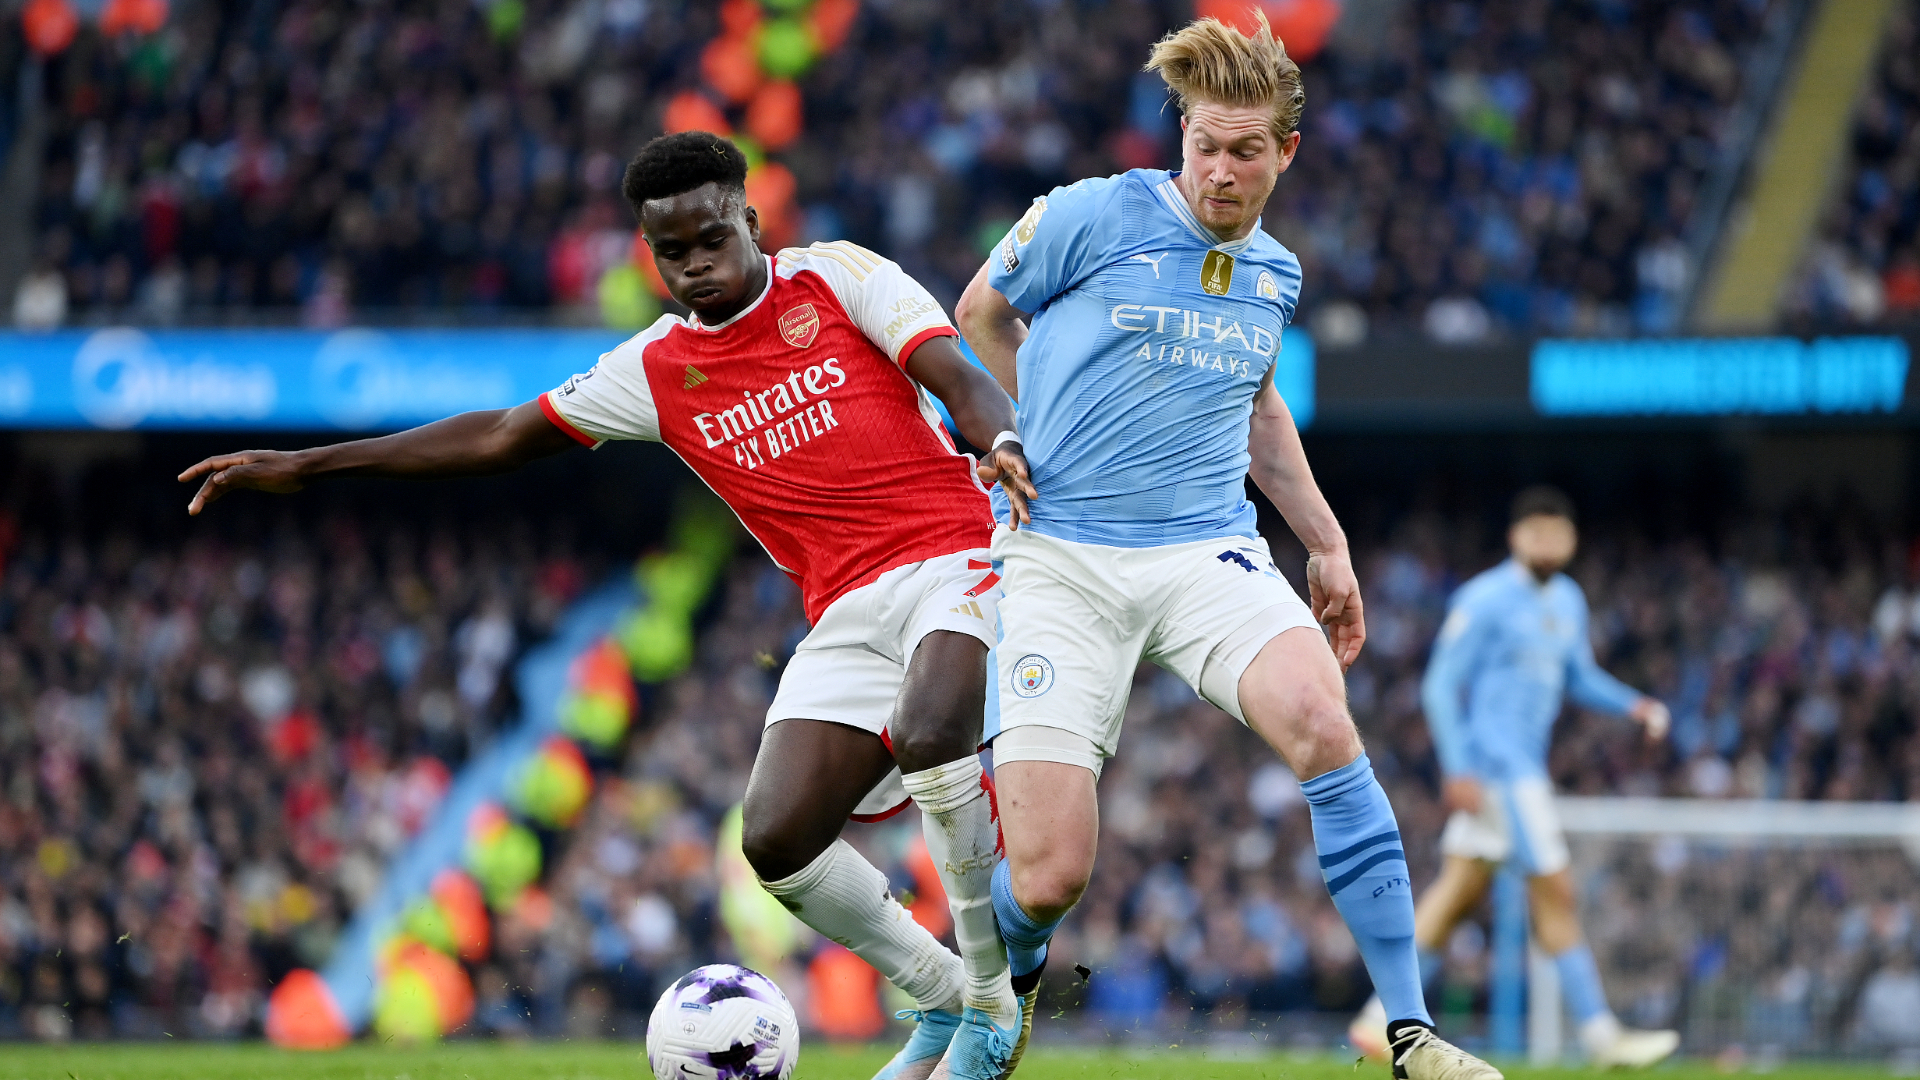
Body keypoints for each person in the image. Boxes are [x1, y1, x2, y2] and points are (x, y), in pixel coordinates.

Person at [179, 131, 1041, 1080]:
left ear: (749, 220)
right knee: (776, 839)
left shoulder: (839, 279)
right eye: (672, 253)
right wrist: (306, 465)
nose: (695, 265)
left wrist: (999, 436)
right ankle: (937, 987)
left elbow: (954, 373)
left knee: (930, 731)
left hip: (958, 552)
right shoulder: (659, 368)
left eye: (712, 238)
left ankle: (992, 1009)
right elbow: (503, 435)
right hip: (843, 611)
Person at [953, 15, 1500, 1080]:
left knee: (1322, 720)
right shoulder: (1095, 213)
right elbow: (979, 311)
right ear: (1182, 139)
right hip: (1060, 555)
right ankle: (999, 990)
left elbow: (1257, 410)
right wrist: (1010, 429)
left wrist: (1327, 545)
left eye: (1246, 150)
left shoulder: (1277, 275)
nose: (1220, 169)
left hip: (1207, 551)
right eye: (1204, 144)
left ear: (1285, 154)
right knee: (1052, 874)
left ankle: (1409, 1034)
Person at [1347, 486, 1680, 1069]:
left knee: (1454, 895)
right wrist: (1458, 766)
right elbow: (1440, 684)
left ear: (1571, 540)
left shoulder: (1568, 600)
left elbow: (1579, 675)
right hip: (1502, 772)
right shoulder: (1487, 598)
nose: (1548, 542)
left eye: (1558, 532)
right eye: (1537, 531)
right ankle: (1603, 1037)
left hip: (1518, 772)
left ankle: (1379, 1019)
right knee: (1556, 891)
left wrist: (1635, 706)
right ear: (1516, 537)